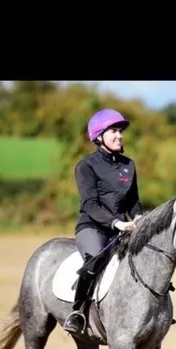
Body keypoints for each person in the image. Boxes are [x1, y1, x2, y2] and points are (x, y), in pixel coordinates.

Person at [63, 108, 143, 334]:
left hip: (123, 229)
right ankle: (77, 313)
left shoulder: (129, 165)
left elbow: (133, 201)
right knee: (94, 259)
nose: (120, 136)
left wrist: (138, 217)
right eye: (114, 131)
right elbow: (90, 204)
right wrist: (117, 224)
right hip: (93, 228)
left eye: (121, 131)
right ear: (99, 137)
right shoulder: (86, 166)